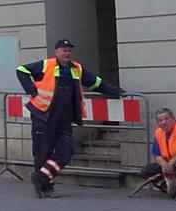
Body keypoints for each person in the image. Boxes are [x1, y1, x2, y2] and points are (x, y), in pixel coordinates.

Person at [16, 39, 123, 198]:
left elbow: (95, 82)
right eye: (63, 50)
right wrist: (31, 90)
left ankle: (41, 177)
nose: (66, 53)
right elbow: (21, 70)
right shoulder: (46, 65)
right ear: (56, 52)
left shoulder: (76, 68)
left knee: (66, 152)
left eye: (69, 50)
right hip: (44, 115)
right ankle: (46, 187)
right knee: (43, 152)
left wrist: (116, 91)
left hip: (64, 118)